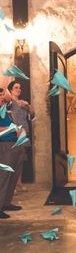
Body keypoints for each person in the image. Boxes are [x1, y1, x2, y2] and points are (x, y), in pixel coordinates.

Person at [0, 87, 24, 219]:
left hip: (15, 144)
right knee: (3, 177)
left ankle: (6, 202)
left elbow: (9, 97)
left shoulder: (4, 109)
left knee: (13, 176)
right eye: (0, 96)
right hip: (4, 146)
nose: (2, 98)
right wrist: (12, 129)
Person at [7, 80, 35, 192]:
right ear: (10, 90)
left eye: (19, 88)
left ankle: (19, 183)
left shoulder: (23, 102)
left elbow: (33, 115)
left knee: (21, 160)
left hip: (24, 133)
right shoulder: (9, 103)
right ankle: (12, 185)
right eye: (15, 88)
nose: (18, 89)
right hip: (14, 135)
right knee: (13, 160)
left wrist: (28, 106)